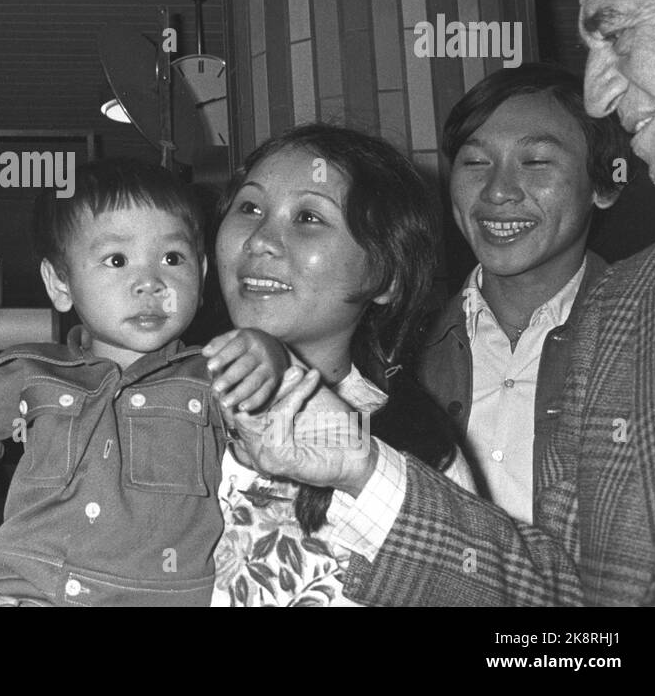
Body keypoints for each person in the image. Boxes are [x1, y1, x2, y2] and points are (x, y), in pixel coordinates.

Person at [227, 0, 655, 605]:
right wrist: (367, 475)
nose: (599, 93)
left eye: (617, 33)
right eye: (473, 162)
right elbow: (572, 635)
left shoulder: (605, 323)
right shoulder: (623, 322)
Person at [0, 158, 291, 606]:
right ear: (60, 282)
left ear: (204, 271)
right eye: (117, 259)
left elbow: (288, 431)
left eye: (173, 258)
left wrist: (273, 354)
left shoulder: (216, 376)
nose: (151, 282)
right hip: (34, 593)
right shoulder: (29, 374)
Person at [203, 124, 474, 606]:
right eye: (249, 208)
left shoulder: (418, 453)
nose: (261, 240)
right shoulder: (167, 402)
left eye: (308, 217)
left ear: (385, 276)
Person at [419, 66, 626, 522]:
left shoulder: (647, 337)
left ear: (603, 186)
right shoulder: (402, 346)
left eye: (535, 162)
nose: (498, 191)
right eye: (475, 162)